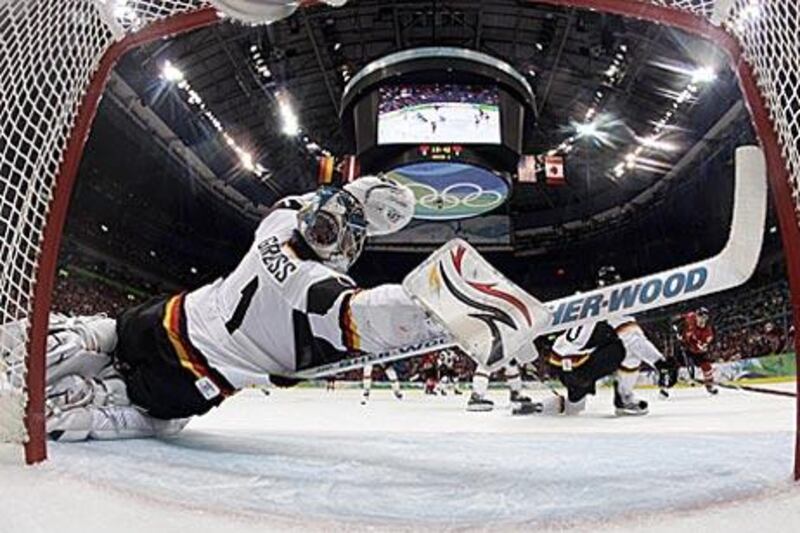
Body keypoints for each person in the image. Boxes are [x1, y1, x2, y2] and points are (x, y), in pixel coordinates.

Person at [24, 178, 441, 441]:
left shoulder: (275, 227)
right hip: (192, 379)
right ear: (348, 246)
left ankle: (64, 343)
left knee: (106, 330)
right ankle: (80, 402)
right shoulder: (315, 285)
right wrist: (442, 302)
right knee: (158, 420)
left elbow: (296, 203)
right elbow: (371, 315)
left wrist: (357, 195)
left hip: (163, 318)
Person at [516, 266, 665, 417]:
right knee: (627, 349)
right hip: (581, 368)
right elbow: (634, 340)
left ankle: (539, 407)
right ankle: (624, 399)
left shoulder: (584, 301)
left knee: (574, 407)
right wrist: (661, 362)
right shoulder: (613, 306)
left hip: (558, 361)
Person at [677, 306, 717, 395]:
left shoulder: (708, 333)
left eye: (704, 317)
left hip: (696, 350)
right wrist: (678, 330)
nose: (701, 319)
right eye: (700, 316)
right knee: (675, 363)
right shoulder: (691, 317)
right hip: (685, 346)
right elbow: (680, 319)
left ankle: (709, 385)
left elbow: (703, 346)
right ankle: (666, 386)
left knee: (706, 366)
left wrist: (698, 344)